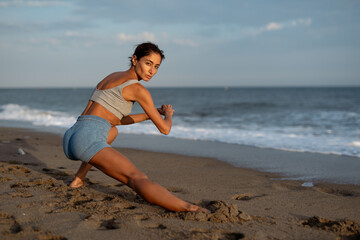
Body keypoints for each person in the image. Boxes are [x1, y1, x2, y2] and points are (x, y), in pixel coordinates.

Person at [63, 42, 208, 212]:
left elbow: (116, 120)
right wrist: (168, 114)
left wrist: (150, 114)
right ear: (134, 59)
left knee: (112, 131)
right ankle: (190, 208)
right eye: (148, 63)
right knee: (136, 177)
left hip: (72, 135)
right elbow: (165, 129)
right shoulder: (138, 89)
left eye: (156, 66)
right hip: (86, 139)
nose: (152, 71)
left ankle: (79, 177)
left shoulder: (112, 76)